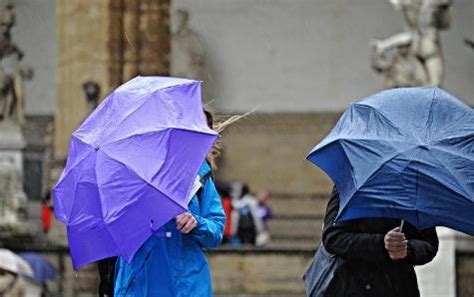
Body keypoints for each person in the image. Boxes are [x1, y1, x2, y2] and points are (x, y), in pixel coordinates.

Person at [113, 110, 226, 297]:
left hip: (188, 286)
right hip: (142, 281)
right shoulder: (133, 170)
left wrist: (196, 223)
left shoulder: (201, 177)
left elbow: (216, 230)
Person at [321, 188, 438, 297]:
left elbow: (429, 244)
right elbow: (333, 238)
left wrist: (407, 249)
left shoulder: (414, 190)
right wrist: (381, 244)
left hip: (400, 288)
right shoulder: (351, 185)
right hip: (354, 286)